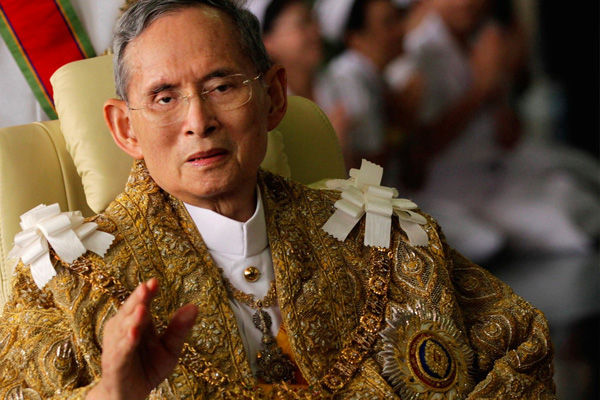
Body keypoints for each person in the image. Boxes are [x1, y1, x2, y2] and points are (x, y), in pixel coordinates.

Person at [0, 0, 555, 399]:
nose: (198, 121)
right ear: (126, 129)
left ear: (273, 97)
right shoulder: (64, 282)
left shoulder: (384, 238)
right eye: (164, 98)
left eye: (222, 86)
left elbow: (522, 343)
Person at [314, 0, 405, 176]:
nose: (400, 30)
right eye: (388, 23)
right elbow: (369, 167)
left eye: (398, 18)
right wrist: (400, 125)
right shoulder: (348, 79)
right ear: (355, 38)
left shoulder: (372, 75)